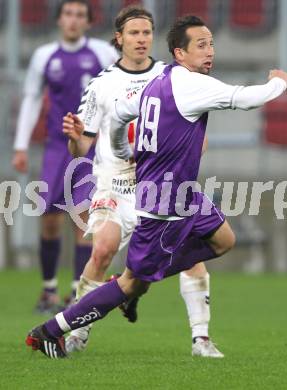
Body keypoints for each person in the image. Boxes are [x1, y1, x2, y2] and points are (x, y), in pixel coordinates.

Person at [25, 15, 287, 359]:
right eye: (201, 46)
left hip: (184, 194)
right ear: (180, 53)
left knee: (224, 239)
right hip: (163, 203)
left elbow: (121, 113)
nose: (210, 52)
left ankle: (179, 314)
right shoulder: (188, 85)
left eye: (211, 44)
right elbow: (245, 98)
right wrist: (279, 82)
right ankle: (51, 330)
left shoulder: (161, 78)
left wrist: (124, 150)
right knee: (129, 284)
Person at [62, 5, 223, 358]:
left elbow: (195, 123)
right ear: (119, 38)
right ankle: (77, 331)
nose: (141, 39)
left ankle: (201, 339)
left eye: (146, 32)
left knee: (186, 256)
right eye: (133, 33)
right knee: (103, 248)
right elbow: (81, 149)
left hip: (160, 184)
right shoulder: (102, 85)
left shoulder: (173, 76)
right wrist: (75, 138)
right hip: (115, 183)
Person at [12, 0, 118, 314]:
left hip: (90, 147)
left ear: (88, 22)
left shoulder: (102, 53)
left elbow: (119, 91)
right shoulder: (44, 56)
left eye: (80, 15)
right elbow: (32, 99)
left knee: (83, 217)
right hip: (57, 147)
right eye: (68, 14)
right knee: (49, 217)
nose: (73, 20)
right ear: (59, 20)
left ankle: (76, 292)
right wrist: (20, 146)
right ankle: (48, 290)